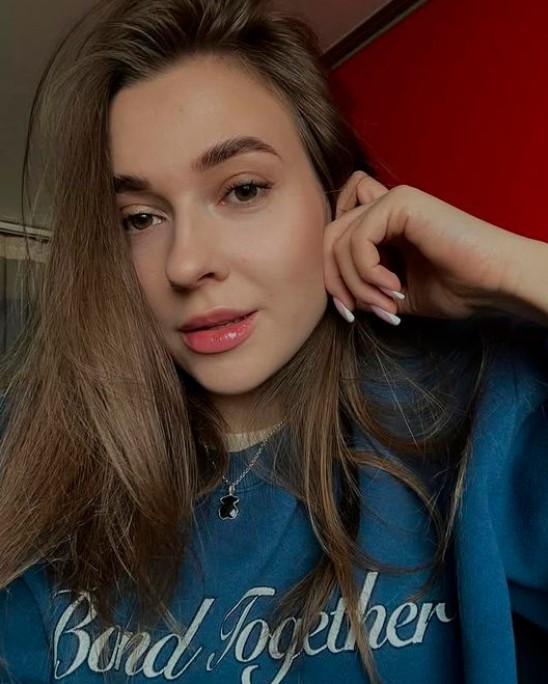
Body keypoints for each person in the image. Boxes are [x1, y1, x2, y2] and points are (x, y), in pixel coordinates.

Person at [0, 0, 547, 682]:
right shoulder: (31, 450)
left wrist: (516, 272)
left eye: (243, 189)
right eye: (140, 217)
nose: (185, 263)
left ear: (339, 197)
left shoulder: (488, 413)